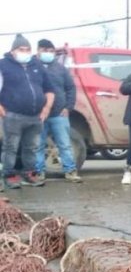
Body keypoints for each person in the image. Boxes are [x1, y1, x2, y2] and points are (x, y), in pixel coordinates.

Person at [0, 34, 54, 190]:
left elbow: (49, 89)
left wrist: (46, 108)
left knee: (32, 147)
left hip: (35, 116)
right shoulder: (3, 65)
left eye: (27, 49)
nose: (25, 52)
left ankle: (29, 173)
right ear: (13, 51)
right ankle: (9, 175)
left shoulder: (37, 65)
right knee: (10, 147)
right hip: (13, 115)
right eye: (21, 49)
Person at [33, 39, 82, 183]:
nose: (48, 53)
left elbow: (71, 88)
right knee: (38, 145)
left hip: (59, 114)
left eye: (50, 51)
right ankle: (38, 172)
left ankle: (70, 171)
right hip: (38, 115)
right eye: (44, 50)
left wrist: (68, 107)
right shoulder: (31, 68)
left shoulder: (61, 69)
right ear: (38, 51)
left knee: (65, 144)